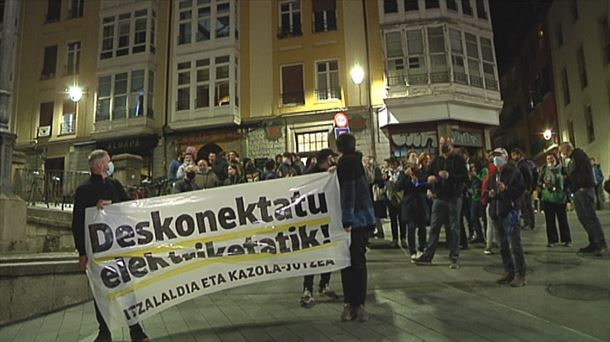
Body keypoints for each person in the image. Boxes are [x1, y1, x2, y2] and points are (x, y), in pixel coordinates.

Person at [71, 150, 149, 342]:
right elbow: (78, 221)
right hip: (97, 251)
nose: (110, 164)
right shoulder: (84, 190)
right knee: (101, 290)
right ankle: (104, 332)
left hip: (118, 247)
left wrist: (113, 205)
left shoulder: (115, 185)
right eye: (108, 162)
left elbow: (127, 207)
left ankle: (135, 329)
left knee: (126, 288)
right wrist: (82, 251)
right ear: (99, 166)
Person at [336, 134, 375, 322]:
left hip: (353, 221)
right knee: (359, 262)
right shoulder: (357, 161)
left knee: (348, 263)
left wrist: (347, 220)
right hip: (363, 219)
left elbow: (348, 191)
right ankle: (359, 304)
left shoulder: (346, 163)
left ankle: (351, 304)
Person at [413, 138, 467, 269]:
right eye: (442, 143)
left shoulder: (459, 160)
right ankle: (428, 256)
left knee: (454, 227)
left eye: (446, 144)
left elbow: (465, 177)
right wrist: (429, 178)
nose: (443, 146)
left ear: (451, 145)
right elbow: (428, 173)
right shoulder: (437, 160)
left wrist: (450, 176)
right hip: (440, 197)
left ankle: (454, 257)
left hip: (454, 197)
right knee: (434, 226)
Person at [300, 148, 340, 307]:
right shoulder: (312, 174)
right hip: (313, 221)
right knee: (312, 255)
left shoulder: (332, 173)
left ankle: (324, 284)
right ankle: (307, 288)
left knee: (327, 253)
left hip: (327, 220)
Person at [558, 142, 608, 256]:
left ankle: (601, 245)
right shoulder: (571, 160)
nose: (562, 154)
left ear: (567, 148)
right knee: (583, 218)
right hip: (577, 191)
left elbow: (585, 172)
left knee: (590, 217)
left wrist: (582, 186)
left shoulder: (579, 156)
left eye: (562, 151)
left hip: (583, 190)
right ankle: (594, 242)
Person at [488, 148, 527, 287]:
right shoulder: (494, 174)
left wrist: (506, 190)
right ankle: (509, 271)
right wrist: (491, 193)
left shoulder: (514, 172)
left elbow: (520, 190)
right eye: (494, 156)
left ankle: (520, 274)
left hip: (510, 212)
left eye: (498, 156)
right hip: (497, 213)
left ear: (505, 157)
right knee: (503, 245)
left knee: (515, 244)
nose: (495, 158)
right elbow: (491, 190)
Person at [396, 156, 428, 259]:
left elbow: (426, 185)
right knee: (411, 227)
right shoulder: (403, 173)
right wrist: (406, 175)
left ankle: (421, 249)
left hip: (420, 204)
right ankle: (412, 251)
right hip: (409, 204)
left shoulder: (421, 172)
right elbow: (398, 187)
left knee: (422, 228)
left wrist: (416, 180)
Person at [539, 153, 572, 247]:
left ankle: (567, 239)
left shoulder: (562, 169)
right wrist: (543, 185)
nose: (550, 160)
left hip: (560, 198)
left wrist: (564, 182)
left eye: (551, 158)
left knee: (563, 219)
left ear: (556, 159)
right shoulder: (544, 169)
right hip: (548, 198)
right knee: (550, 220)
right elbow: (539, 181)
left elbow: (568, 181)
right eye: (548, 159)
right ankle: (552, 240)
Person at [510, 148, 536, 230]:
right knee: (525, 206)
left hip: (524, 189)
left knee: (526, 206)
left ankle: (528, 223)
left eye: (514, 155)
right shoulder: (519, 164)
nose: (513, 157)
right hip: (522, 188)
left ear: (519, 155)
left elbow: (529, 176)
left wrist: (528, 188)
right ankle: (528, 222)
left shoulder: (523, 164)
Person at [384, 157, 406, 248]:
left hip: (400, 198)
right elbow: (383, 184)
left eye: (393, 163)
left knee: (402, 219)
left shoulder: (401, 172)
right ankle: (395, 239)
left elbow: (402, 183)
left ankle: (403, 238)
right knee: (393, 220)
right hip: (390, 198)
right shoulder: (387, 173)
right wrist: (385, 179)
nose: (392, 165)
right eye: (390, 163)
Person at [364, 156, 386, 239]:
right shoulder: (368, 169)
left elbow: (376, 181)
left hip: (375, 195)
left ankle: (379, 231)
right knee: (374, 214)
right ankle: (375, 230)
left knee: (376, 214)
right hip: (372, 195)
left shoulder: (376, 170)